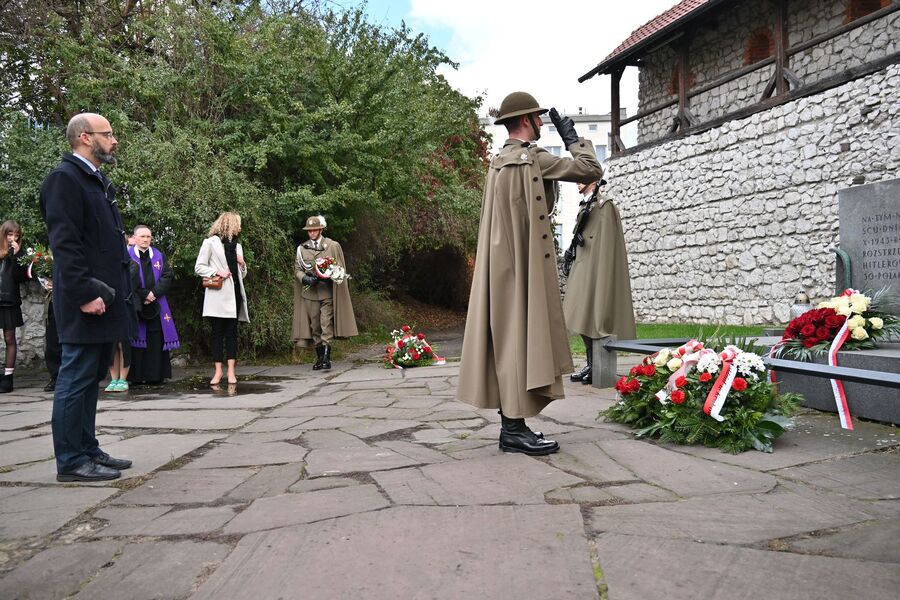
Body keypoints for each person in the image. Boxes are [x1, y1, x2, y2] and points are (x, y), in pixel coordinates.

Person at [456, 92, 603, 456]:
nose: (541, 122)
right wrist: (573, 139)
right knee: (519, 340)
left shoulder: (497, 163)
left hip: (498, 267)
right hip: (524, 267)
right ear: (525, 120)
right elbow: (590, 170)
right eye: (538, 117)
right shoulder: (533, 158)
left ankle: (512, 428)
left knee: (508, 341)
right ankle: (513, 431)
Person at [39, 112, 134, 482]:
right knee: (76, 375)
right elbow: (65, 245)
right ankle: (71, 461)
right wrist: (83, 294)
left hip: (104, 297)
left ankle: (88, 449)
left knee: (92, 375)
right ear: (84, 137)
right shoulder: (64, 179)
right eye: (107, 134)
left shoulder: (94, 179)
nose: (114, 140)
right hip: (86, 300)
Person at [563, 179, 636, 385]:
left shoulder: (605, 206)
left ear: (594, 181)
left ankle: (595, 366)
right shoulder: (586, 205)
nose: (577, 183)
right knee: (576, 312)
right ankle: (590, 364)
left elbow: (607, 244)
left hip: (595, 267)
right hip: (582, 263)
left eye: (582, 179)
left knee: (593, 316)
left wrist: (600, 272)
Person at [292, 215, 358, 370]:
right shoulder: (302, 249)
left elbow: (340, 268)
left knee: (325, 323)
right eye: (309, 231)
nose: (312, 233)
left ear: (321, 230)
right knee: (315, 327)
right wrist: (305, 278)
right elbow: (297, 269)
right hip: (310, 293)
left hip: (326, 291)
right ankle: (320, 357)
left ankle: (327, 358)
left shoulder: (332, 246)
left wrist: (330, 275)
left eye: (314, 230)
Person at [195, 212, 248, 385]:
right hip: (218, 295)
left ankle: (231, 372)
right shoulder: (210, 242)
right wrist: (217, 272)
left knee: (232, 334)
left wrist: (242, 264)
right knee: (217, 334)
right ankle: (218, 371)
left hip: (234, 294)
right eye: (238, 224)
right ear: (230, 224)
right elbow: (199, 267)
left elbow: (242, 275)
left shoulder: (238, 246)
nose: (240, 227)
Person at [128, 225, 179, 385]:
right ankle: (136, 377)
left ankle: (155, 376)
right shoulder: (127, 255)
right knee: (136, 338)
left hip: (157, 303)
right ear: (135, 238)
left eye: (148, 236)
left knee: (156, 338)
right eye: (142, 236)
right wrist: (144, 294)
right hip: (137, 303)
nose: (145, 239)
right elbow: (126, 278)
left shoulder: (158, 255)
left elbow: (167, 276)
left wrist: (153, 294)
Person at [0, 220, 28, 393]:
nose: (13, 238)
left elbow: (21, 278)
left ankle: (8, 379)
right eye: (10, 234)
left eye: (16, 235)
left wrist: (17, 256)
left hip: (9, 300)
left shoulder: (19, 254)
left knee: (9, 338)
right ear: (3, 234)